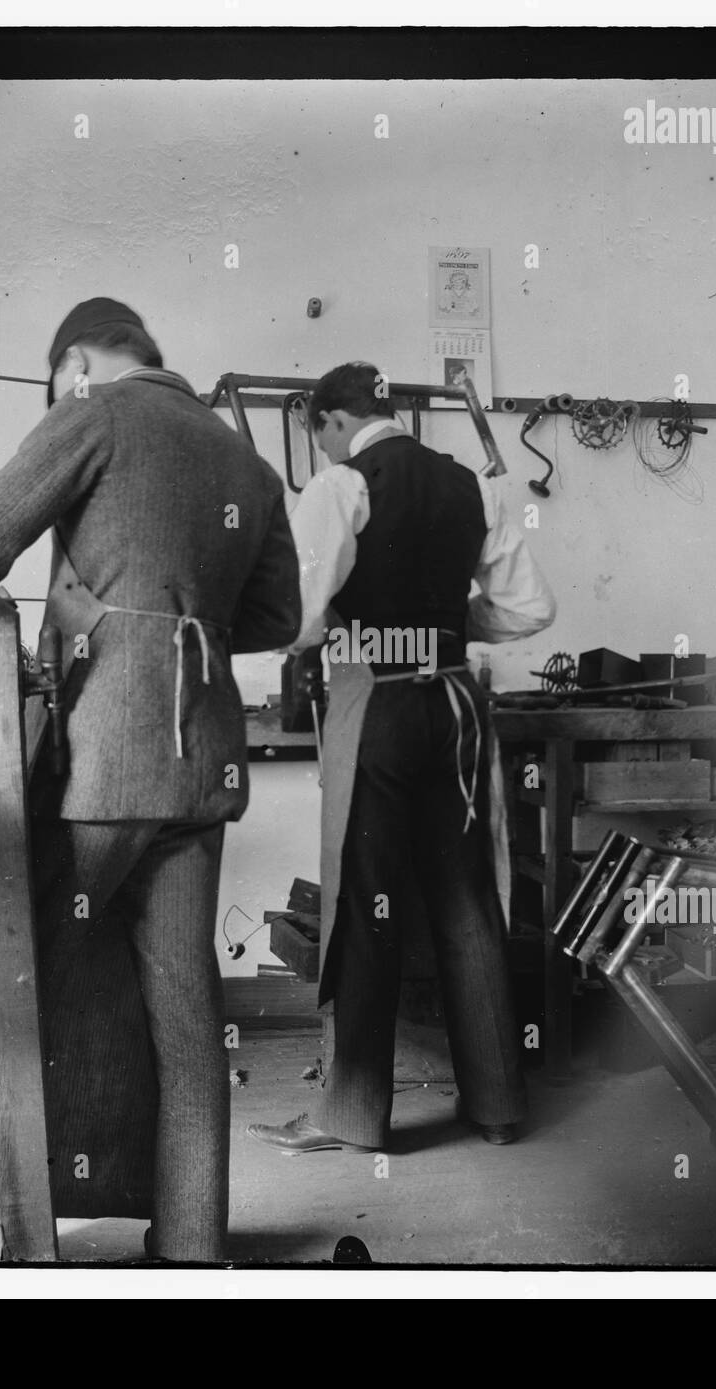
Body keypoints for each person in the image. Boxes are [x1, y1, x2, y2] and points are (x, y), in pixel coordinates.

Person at [0, 298, 301, 1260]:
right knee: (187, 1009)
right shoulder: (244, 459)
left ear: (78, 363)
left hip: (104, 760)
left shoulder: (92, 414)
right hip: (200, 766)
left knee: (17, 980)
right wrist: (176, 617)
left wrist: (100, 617)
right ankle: (191, 1245)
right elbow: (276, 617)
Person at [246, 361, 555, 1157]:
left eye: (321, 440)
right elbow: (530, 608)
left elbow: (305, 619)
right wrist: (447, 627)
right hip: (455, 707)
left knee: (365, 904)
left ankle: (353, 1118)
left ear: (329, 423)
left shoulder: (341, 487)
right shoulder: (474, 486)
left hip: (377, 705)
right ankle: (497, 1105)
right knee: (468, 899)